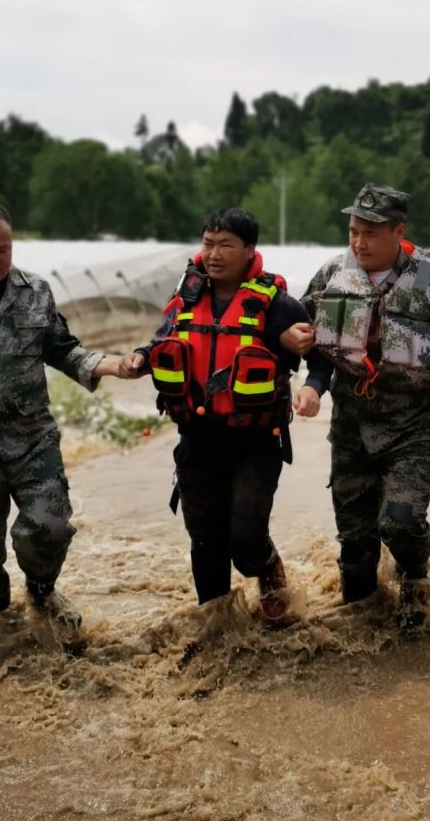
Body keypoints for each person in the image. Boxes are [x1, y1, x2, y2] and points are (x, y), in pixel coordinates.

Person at [292, 183, 430, 630]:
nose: (359, 242)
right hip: (351, 428)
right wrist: (309, 382)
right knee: (356, 542)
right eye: (353, 232)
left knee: (400, 522)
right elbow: (300, 334)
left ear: (398, 232)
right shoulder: (331, 276)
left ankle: (416, 583)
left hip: (410, 429)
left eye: (371, 233)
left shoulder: (425, 283)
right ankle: (361, 621)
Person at [119, 208, 311, 621]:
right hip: (198, 440)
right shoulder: (185, 296)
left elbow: (316, 351)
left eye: (226, 245)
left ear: (249, 251)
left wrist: (307, 372)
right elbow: (162, 340)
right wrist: (140, 356)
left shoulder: (277, 305)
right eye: (208, 243)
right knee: (205, 541)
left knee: (244, 538)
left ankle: (268, 567)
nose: (214, 253)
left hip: (256, 441)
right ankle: (217, 627)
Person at [0, 199, 123, 624]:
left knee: (49, 528)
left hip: (30, 440)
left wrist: (111, 364)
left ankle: (42, 592)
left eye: (3, 250)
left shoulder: (35, 292)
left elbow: (61, 348)